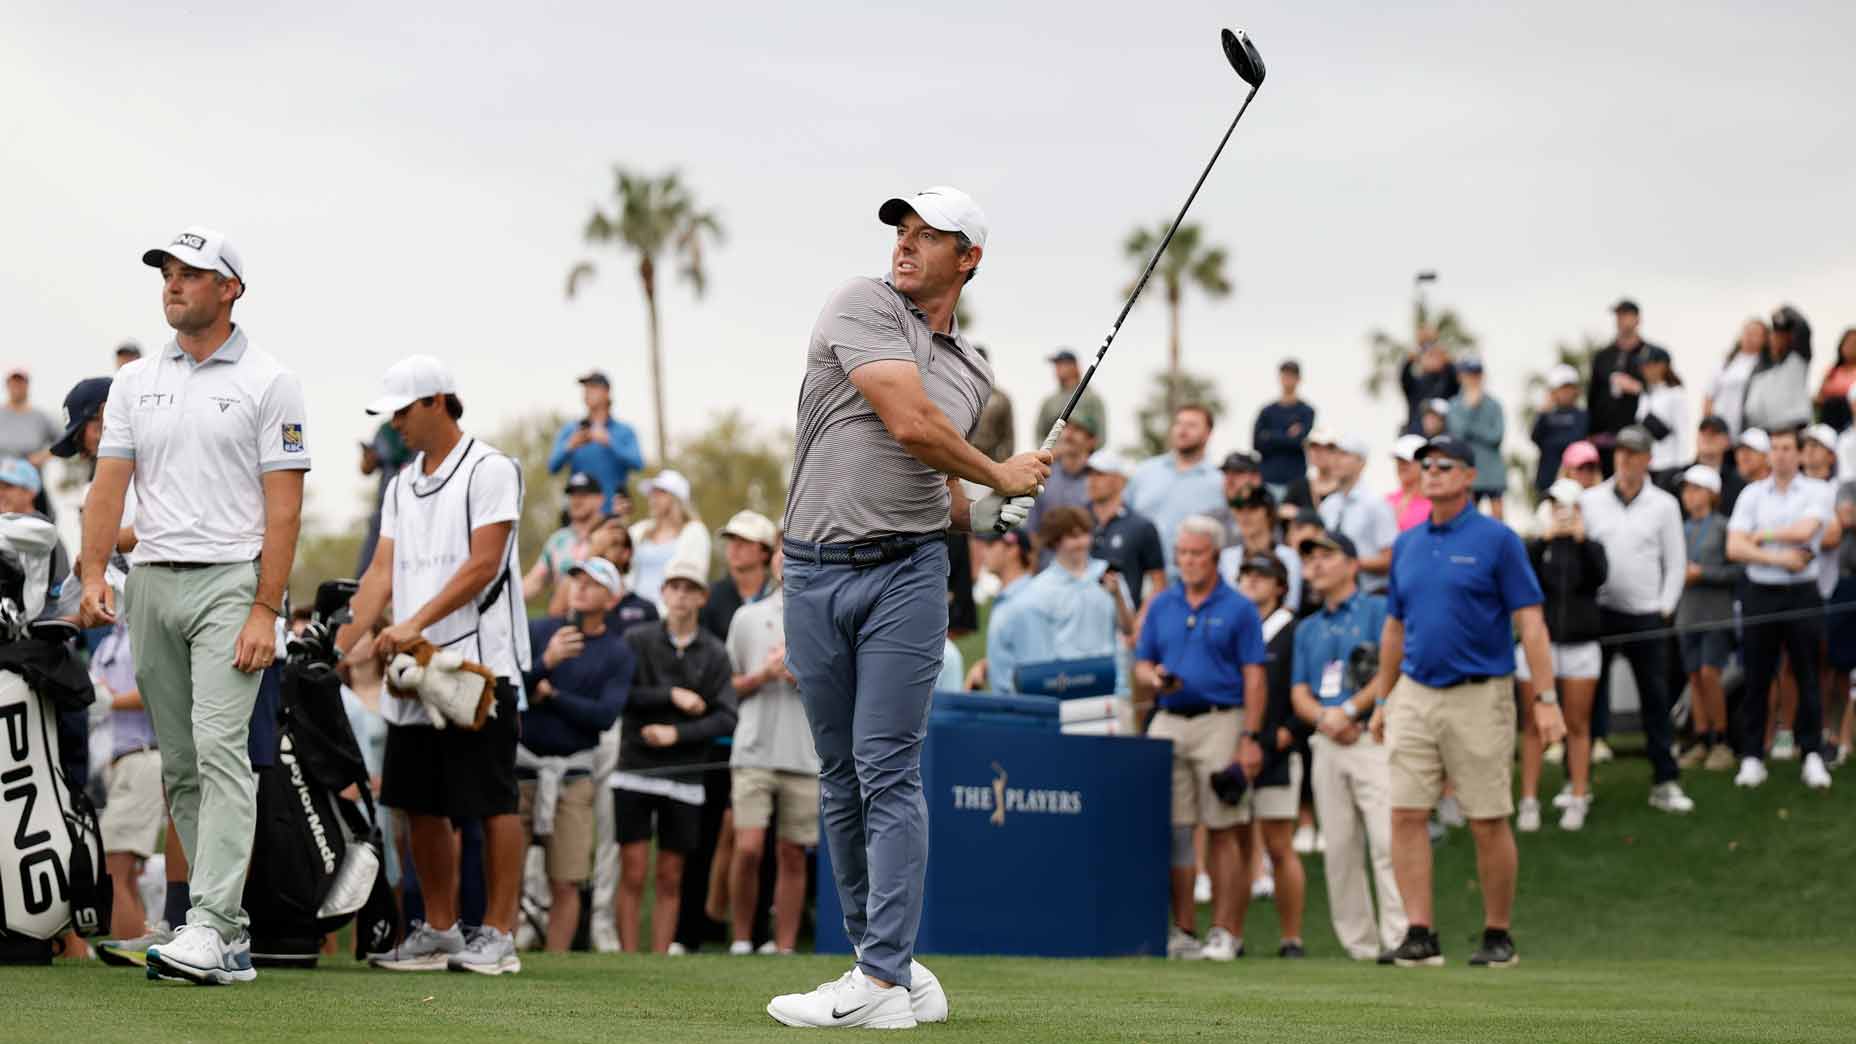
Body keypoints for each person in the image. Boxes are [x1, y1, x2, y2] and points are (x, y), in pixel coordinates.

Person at [769, 185, 1048, 1029]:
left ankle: (883, 979)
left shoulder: (971, 371)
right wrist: (999, 475)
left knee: (885, 765)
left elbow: (931, 479)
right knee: (839, 776)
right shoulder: (859, 304)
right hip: (812, 568)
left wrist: (992, 504)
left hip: (908, 573)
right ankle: (879, 963)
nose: (907, 244)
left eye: (931, 237)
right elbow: (909, 422)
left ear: (969, 259)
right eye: (904, 230)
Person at [77, 226, 308, 986]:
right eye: (168, 272)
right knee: (180, 764)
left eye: (191, 273)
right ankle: (225, 936)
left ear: (230, 288)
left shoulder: (270, 381)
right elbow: (109, 487)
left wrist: (266, 609)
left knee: (218, 753)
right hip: (151, 582)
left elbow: (284, 510)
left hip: (229, 584)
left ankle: (210, 923)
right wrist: (90, 574)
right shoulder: (136, 381)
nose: (174, 284)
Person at [337, 354, 530, 976]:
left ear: (438, 403)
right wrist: (342, 642)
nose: (393, 424)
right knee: (417, 800)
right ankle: (443, 930)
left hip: (481, 665)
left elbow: (483, 565)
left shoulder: (492, 469)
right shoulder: (399, 484)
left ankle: (499, 935)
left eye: (401, 410)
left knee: (494, 800)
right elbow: (380, 572)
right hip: (414, 669)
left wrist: (411, 625)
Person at [1366, 434, 1566, 969]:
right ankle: (1419, 934)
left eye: (1443, 464)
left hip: (1481, 694)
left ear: (1468, 476)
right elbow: (1393, 629)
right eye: (1423, 464)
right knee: (1406, 812)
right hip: (1413, 692)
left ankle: (1497, 935)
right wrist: (1383, 699)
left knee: (1487, 818)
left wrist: (1545, 698)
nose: (1430, 472)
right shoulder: (1407, 543)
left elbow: (1531, 622)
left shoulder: (1498, 540)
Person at [1133, 516, 1267, 962]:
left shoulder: (1240, 607)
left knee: (1225, 827)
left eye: (1197, 554)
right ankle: (1184, 930)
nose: (1188, 561)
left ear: (1215, 557)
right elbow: (1141, 663)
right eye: (1183, 553)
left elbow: (1254, 676)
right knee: (1176, 831)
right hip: (1169, 717)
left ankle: (1226, 931)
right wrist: (1153, 676)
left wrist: (1249, 736)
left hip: (1221, 720)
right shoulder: (1162, 603)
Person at [610, 559, 739, 952]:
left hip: (685, 776)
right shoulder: (635, 640)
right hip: (634, 768)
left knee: (670, 874)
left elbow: (727, 717)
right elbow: (620, 696)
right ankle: (630, 960)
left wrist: (676, 733)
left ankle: (660, 959)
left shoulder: (715, 652)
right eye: (674, 587)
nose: (681, 595)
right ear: (663, 593)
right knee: (632, 871)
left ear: (702, 597)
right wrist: (670, 695)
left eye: (689, 588)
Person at [1290, 531, 1407, 962]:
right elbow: (1299, 690)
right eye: (1310, 558)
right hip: (1327, 740)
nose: (1316, 564)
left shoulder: (1379, 610)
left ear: (1352, 564)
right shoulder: (1307, 627)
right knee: (1338, 848)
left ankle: (1399, 938)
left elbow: (1390, 669)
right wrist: (1325, 718)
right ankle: (1360, 947)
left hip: (1371, 737)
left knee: (1385, 840)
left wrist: (1352, 711)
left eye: (1326, 556)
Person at [518, 558, 632, 952]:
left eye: (593, 582)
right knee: (504, 873)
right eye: (577, 579)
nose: (581, 587)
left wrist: (552, 695)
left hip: (574, 777)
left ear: (612, 597)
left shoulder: (618, 653)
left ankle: (557, 960)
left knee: (566, 879)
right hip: (522, 770)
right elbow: (514, 692)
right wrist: (545, 664)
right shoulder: (539, 632)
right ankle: (496, 946)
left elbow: (603, 716)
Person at [1580, 425, 1695, 815]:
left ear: (1648, 459)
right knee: (1589, 699)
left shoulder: (1664, 505)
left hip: (1647, 615)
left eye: (1634, 454)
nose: (1626, 460)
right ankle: (1578, 784)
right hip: (1601, 613)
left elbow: (1676, 561)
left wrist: (1665, 606)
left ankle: (1665, 780)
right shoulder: (1591, 500)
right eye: (1621, 453)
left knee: (1655, 700)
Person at [1727, 426, 1840, 790]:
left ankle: (1811, 754)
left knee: (1807, 675)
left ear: (1800, 454)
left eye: (1788, 448)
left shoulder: (1817, 491)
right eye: (1774, 448)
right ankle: (1751, 757)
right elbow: (1734, 548)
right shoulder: (1751, 494)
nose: (1781, 454)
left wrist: (1762, 537)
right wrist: (1776, 558)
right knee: (1757, 677)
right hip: (1761, 592)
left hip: (1802, 593)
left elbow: (1805, 532)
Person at [725, 547, 818, 956]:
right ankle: (742, 939)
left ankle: (782, 947)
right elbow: (726, 685)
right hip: (754, 749)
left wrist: (804, 676)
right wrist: (763, 674)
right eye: (782, 551)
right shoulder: (746, 617)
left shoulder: (825, 617)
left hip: (804, 752)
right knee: (747, 849)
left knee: (793, 853)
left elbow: (841, 685)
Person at [1516, 478, 1608, 832]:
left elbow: (1600, 577)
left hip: (1582, 646)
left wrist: (1582, 541)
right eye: (1555, 507)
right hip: (1539, 645)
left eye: (1566, 507)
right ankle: (1529, 800)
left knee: (1578, 724)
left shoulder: (1592, 547)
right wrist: (1545, 539)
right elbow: (1524, 578)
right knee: (1533, 725)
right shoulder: (1537, 546)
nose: (1561, 514)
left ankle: (1579, 795)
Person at [1231, 553, 1308, 959]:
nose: (1252, 582)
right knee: (1241, 847)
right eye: (1246, 575)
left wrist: (1288, 731)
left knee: (1279, 845)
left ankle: (1291, 938)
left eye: (1262, 576)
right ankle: (1234, 935)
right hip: (1236, 748)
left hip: (1277, 752)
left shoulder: (1294, 630)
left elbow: (1306, 683)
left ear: (1280, 586)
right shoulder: (1233, 624)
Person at [991, 508, 1128, 695]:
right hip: (1068, 687)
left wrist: (1117, 595)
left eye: (1085, 534)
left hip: (1112, 686)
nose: (1081, 543)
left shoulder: (1109, 573)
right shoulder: (1038, 589)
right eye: (1072, 537)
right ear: (1055, 542)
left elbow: (1129, 629)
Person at [1674, 465, 1741, 772]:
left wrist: (1704, 574)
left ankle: (1722, 741)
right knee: (1695, 678)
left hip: (1716, 614)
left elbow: (1738, 571)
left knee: (1710, 673)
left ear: (1712, 493)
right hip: (1687, 613)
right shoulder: (1680, 528)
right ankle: (1701, 739)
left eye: (1696, 489)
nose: (1689, 495)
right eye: (1687, 489)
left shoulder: (1725, 526)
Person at [1128, 405, 1226, 581]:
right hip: (1143, 577)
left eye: (1192, 425)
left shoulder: (1220, 482)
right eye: (1179, 424)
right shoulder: (1144, 472)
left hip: (1195, 580)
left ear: (1208, 433)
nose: (1183, 430)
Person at [547, 370, 645, 514]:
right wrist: (570, 446)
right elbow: (552, 467)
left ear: (606, 392)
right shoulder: (571, 430)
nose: (587, 392)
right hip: (579, 515)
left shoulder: (624, 431)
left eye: (593, 387)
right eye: (585, 388)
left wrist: (609, 441)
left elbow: (638, 463)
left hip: (612, 512)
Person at [1085, 451, 1166, 611]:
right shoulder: (1075, 520)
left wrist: (1137, 626)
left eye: (1100, 474)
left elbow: (1158, 584)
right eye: (1090, 474)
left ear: (1120, 480)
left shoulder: (1142, 526)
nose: (1092, 480)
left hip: (1123, 625)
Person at [1317, 434, 1398, 593]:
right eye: (1334, 453)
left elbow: (1389, 559)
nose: (1336, 460)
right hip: (1334, 595)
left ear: (1361, 462)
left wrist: (1346, 564)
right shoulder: (1328, 506)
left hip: (1370, 594)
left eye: (1344, 454)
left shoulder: (1376, 504)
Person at [627, 468, 708, 610]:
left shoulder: (695, 532)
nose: (653, 498)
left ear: (676, 498)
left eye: (661, 493)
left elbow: (694, 577)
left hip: (671, 615)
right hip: (635, 613)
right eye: (652, 493)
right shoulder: (639, 530)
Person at [522, 471, 605, 602]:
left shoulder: (613, 534)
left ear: (600, 499)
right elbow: (535, 581)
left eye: (583, 495)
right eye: (572, 495)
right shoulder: (558, 539)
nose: (576, 500)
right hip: (562, 615)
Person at [1588, 299, 1657, 452]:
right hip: (1604, 438)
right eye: (1618, 315)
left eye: (1625, 315)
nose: (1620, 320)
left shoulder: (1652, 355)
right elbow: (1592, 396)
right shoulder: (1603, 356)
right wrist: (1590, 432)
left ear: (1637, 319)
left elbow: (1663, 392)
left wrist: (1638, 388)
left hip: (1638, 436)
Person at [973, 527, 1036, 691]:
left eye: (991, 544)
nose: (984, 551)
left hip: (1021, 709)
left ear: (1013, 549)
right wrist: (987, 665)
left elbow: (1032, 662)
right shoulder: (1009, 599)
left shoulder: (1027, 600)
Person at [1218, 486, 1301, 611]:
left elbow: (1290, 606)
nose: (1244, 516)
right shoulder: (1226, 556)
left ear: (1269, 513)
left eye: (1252, 509)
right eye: (1239, 509)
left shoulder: (1288, 556)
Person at [1444, 356, 1507, 519]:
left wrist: (1472, 427)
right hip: (1468, 471)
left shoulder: (1494, 404)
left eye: (1477, 375)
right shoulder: (1454, 405)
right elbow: (1458, 435)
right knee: (1469, 517)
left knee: (1498, 516)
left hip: (1493, 472)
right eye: (1469, 375)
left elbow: (1496, 436)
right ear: (1460, 377)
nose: (1473, 379)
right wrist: (1471, 409)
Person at [701, 509, 778, 640]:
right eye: (731, 539)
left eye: (745, 540)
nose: (735, 546)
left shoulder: (780, 597)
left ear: (765, 552)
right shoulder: (709, 596)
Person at [1024, 415, 1098, 541]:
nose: (1069, 434)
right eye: (1066, 428)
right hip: (1046, 558)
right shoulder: (1043, 474)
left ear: (1092, 441)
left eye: (1077, 429)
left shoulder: (1099, 478)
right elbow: (1032, 530)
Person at [1742, 306, 1813, 434]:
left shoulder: (1798, 359)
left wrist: (1785, 312)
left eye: (1783, 335)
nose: (1778, 339)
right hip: (1764, 431)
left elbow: (1804, 329)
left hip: (1794, 429)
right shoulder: (1758, 369)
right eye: (1775, 334)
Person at [0, 367, 60, 517]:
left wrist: (44, 456)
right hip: (3, 483)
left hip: (29, 485)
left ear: (27, 386)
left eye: (21, 383)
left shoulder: (40, 417)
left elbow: (63, 440)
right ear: (7, 385)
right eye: (13, 383)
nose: (17, 387)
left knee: (41, 521)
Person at [1254, 359, 1315, 502]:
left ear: (1299, 379)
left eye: (1292, 375)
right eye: (1285, 375)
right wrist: (1287, 435)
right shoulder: (1267, 411)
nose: (1288, 380)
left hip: (1295, 480)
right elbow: (1257, 443)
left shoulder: (1306, 411)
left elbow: (1300, 441)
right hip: (1268, 479)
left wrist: (1270, 436)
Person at [357, 421, 413, 574]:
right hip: (385, 510)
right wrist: (369, 456)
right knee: (368, 569)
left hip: (417, 509)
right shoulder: (386, 430)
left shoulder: (425, 427)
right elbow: (366, 469)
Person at [1530, 364, 1589, 498]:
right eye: (1562, 388)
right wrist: (1542, 415)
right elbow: (1535, 438)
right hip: (1547, 481)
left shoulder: (1582, 415)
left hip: (1575, 483)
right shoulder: (1545, 415)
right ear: (1553, 392)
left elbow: (1576, 439)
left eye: (1569, 388)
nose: (1566, 393)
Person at [1703, 319, 1769, 437]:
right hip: (1721, 427)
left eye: (1755, 334)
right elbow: (1709, 395)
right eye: (1747, 332)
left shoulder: (1765, 366)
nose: (1749, 337)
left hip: (1747, 428)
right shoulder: (1726, 362)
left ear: (1764, 339)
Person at [1035, 348, 1108, 450]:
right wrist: (1051, 453)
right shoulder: (1049, 402)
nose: (1057, 369)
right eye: (1056, 365)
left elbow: (1101, 436)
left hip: (1084, 459)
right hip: (1054, 460)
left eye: (1062, 364)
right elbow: (1039, 435)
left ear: (1074, 367)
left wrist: (1081, 452)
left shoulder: (1092, 398)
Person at [1635, 347, 1689, 481]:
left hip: (1668, 465)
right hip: (1647, 465)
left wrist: (1680, 467)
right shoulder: (1645, 394)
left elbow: (1682, 431)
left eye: (1648, 365)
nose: (1644, 369)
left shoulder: (1676, 394)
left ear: (1662, 366)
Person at [1399, 330, 1459, 436]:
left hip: (1443, 437)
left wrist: (1444, 356)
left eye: (1435, 356)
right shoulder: (1414, 384)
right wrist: (1416, 352)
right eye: (1428, 356)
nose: (1432, 359)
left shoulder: (1447, 381)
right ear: (1420, 359)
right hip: (1416, 437)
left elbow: (1456, 376)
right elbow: (1404, 375)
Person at [967, 345, 1016, 463]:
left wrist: (1000, 462)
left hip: (989, 458)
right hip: (960, 458)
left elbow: (1008, 437)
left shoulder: (1001, 398)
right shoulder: (957, 393)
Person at [1386, 434, 1432, 532]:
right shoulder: (1386, 501)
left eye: (1407, 461)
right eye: (1399, 460)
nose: (1401, 465)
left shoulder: (1435, 505)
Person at [1818, 329, 1856, 432]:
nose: (1850, 348)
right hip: (1829, 422)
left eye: (1854, 344)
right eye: (1847, 343)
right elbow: (1819, 397)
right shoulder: (1832, 371)